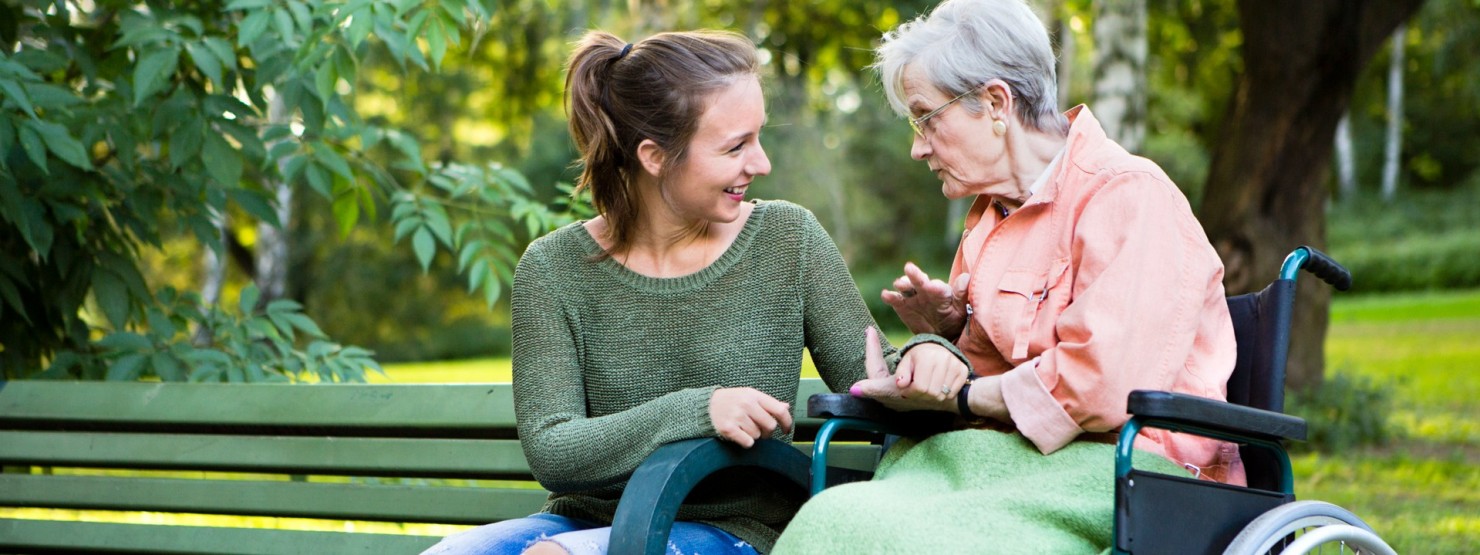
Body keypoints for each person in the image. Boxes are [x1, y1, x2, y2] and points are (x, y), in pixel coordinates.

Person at [773, 0, 1240, 552]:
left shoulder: (1129, 196)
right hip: (996, 461)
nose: (918, 147)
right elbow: (986, 373)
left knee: (915, 540)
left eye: (926, 118)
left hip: (1127, 473)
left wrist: (960, 396)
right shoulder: (989, 219)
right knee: (831, 520)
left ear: (995, 102)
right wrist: (944, 336)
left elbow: (1098, 389)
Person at [420, 29, 904, 555]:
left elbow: (876, 382)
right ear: (654, 156)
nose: (761, 163)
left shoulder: (788, 239)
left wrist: (936, 345)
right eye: (735, 146)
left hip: (738, 530)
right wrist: (701, 410)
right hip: (583, 525)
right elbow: (553, 450)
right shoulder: (552, 269)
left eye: (758, 138)